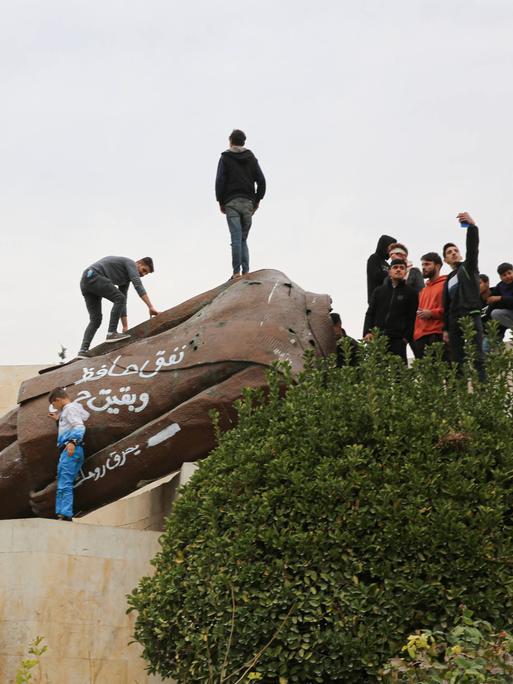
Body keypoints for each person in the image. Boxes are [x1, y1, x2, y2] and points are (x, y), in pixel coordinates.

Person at [78, 256, 159, 357]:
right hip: (94, 275)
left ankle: (82, 351)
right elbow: (137, 285)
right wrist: (150, 306)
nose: (142, 274)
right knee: (119, 298)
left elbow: (122, 302)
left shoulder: (125, 280)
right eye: (143, 270)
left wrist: (125, 327)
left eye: (145, 274)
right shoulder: (131, 263)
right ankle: (111, 333)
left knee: (96, 319)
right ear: (138, 263)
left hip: (86, 281)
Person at [215, 129, 266, 279]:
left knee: (236, 238)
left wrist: (220, 201)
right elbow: (261, 181)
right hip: (248, 202)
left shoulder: (225, 158)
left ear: (230, 141)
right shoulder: (251, 158)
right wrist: (257, 200)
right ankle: (246, 272)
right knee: (243, 238)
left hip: (231, 202)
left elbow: (219, 181)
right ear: (244, 142)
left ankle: (236, 273)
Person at [442, 212, 485, 381]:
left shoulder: (469, 267)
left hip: (471, 315)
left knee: (478, 358)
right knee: (457, 362)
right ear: (445, 259)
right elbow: (446, 305)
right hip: (454, 322)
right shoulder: (448, 280)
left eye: (455, 250)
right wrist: (446, 328)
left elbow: (473, 247)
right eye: (449, 252)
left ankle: (484, 393)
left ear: (460, 254)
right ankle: (460, 395)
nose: (453, 253)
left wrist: (472, 227)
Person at [363, 259, 419, 362]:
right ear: (389, 271)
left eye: (402, 268)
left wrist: (406, 338)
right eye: (395, 267)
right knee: (377, 372)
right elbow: (370, 313)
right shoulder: (379, 291)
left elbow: (412, 318)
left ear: (406, 272)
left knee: (399, 374)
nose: (398, 270)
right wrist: (367, 332)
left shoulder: (411, 293)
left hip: (398, 340)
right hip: (377, 338)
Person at [48, 387, 90, 521]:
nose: (55, 407)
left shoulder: (70, 408)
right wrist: (57, 421)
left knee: (64, 483)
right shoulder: (68, 410)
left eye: (54, 404)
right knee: (63, 481)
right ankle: (62, 513)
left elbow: (79, 426)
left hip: (71, 449)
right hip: (70, 450)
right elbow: (70, 426)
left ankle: (65, 515)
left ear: (58, 400)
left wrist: (72, 441)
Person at [413, 252, 448, 359]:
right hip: (420, 338)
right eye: (422, 265)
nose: (423, 267)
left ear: (437, 266)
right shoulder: (423, 290)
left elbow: (450, 309)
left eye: (427, 264)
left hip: (437, 334)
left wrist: (432, 313)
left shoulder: (445, 284)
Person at [366, 234, 396, 303]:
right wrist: (391, 275)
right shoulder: (374, 258)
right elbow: (376, 275)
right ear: (384, 245)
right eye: (390, 247)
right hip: (376, 300)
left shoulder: (387, 264)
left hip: (388, 300)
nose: (392, 250)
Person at [488, 262, 513, 332]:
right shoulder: (499, 286)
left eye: (509, 273)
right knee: (495, 313)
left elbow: (499, 298)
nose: (507, 276)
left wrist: (501, 298)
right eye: (504, 275)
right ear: (500, 277)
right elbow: (492, 299)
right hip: (510, 312)